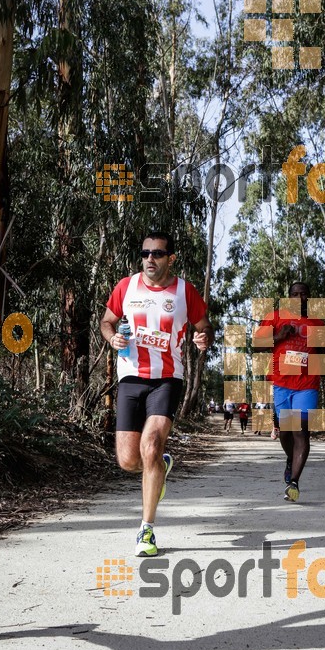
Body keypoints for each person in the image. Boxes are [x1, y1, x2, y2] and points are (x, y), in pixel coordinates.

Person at [100, 231, 214, 556]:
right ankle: (160, 466)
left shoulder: (184, 292)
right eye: (146, 252)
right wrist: (112, 338)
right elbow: (107, 322)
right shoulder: (126, 287)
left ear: (170, 258)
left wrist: (203, 338)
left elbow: (204, 325)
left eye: (158, 253)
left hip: (167, 379)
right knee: (128, 460)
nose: (151, 258)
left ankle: (146, 531)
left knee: (150, 445)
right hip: (131, 378)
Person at [257, 282, 325, 502]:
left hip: (307, 384)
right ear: (289, 297)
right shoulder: (275, 317)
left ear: (309, 297)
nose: (299, 297)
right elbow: (258, 344)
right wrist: (279, 337)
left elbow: (323, 352)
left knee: (301, 431)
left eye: (304, 294)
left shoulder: (317, 322)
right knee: (286, 432)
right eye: (295, 294)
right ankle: (291, 459)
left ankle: (294, 483)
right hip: (281, 382)